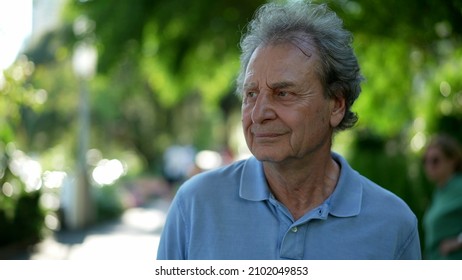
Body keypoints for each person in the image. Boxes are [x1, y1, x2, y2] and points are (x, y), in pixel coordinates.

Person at [157, 1, 421, 260]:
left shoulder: (392, 225)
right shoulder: (195, 205)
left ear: (336, 105)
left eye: (283, 93)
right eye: (251, 94)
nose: (259, 114)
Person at [422, 134, 462, 259]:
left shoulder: (459, 186)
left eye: (435, 160)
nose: (430, 166)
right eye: (425, 161)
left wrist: (459, 241)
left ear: (452, 160)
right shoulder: (439, 192)